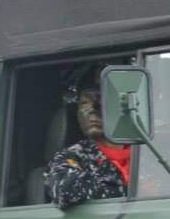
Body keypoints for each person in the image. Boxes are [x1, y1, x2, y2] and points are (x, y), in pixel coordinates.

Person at [46, 73, 131, 208]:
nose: (92, 110)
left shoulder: (146, 153)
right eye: (84, 103)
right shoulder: (72, 156)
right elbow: (65, 191)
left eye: (101, 101)